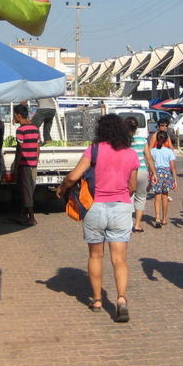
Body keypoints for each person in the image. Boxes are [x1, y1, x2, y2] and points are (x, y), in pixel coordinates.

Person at [56, 114, 138, 323]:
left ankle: (98, 300)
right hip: (121, 208)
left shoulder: (94, 150)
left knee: (95, 256)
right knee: (119, 259)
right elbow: (133, 187)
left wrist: (63, 187)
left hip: (95, 207)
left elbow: (74, 176)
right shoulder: (131, 154)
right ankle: (121, 299)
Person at [12, 104, 39, 226]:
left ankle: (31, 217)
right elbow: (38, 148)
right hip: (33, 164)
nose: (14, 117)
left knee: (26, 191)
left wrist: (16, 166)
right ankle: (21, 215)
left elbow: (20, 150)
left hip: (24, 164)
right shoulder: (35, 128)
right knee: (29, 190)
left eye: (14, 115)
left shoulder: (20, 130)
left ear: (18, 115)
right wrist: (36, 161)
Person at [126, 116, 154, 233]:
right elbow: (148, 157)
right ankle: (137, 225)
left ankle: (128, 225)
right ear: (137, 127)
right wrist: (154, 172)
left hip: (128, 172)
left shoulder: (124, 140)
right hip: (142, 170)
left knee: (128, 197)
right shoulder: (143, 140)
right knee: (141, 197)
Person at [149, 130, 177, 228]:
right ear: (166, 140)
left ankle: (157, 217)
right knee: (165, 197)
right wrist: (175, 180)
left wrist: (151, 178)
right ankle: (164, 218)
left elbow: (150, 166)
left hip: (156, 173)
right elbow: (173, 167)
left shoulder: (152, 151)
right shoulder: (169, 151)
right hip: (167, 174)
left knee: (157, 197)